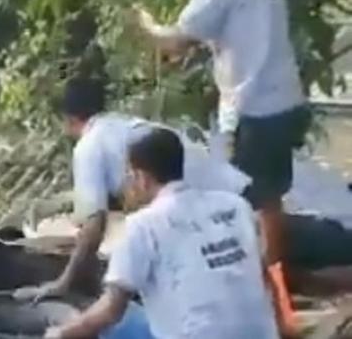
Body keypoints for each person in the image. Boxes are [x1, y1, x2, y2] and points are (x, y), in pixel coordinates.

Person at [127, 0, 311, 335]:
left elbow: (176, 41)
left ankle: (273, 313)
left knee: (248, 208)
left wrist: (144, 24)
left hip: (254, 107)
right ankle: (281, 309)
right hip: (284, 97)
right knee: (269, 204)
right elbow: (227, 30)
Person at [15, 78, 250, 301]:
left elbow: (93, 225)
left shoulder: (89, 146)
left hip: (215, 216)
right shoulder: (122, 126)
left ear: (68, 119)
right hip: (236, 201)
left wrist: (64, 282)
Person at [45, 128, 279, 339]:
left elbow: (110, 310)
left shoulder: (143, 225)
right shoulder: (235, 205)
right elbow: (262, 276)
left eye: (129, 175)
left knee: (112, 324)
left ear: (141, 178)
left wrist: (61, 333)